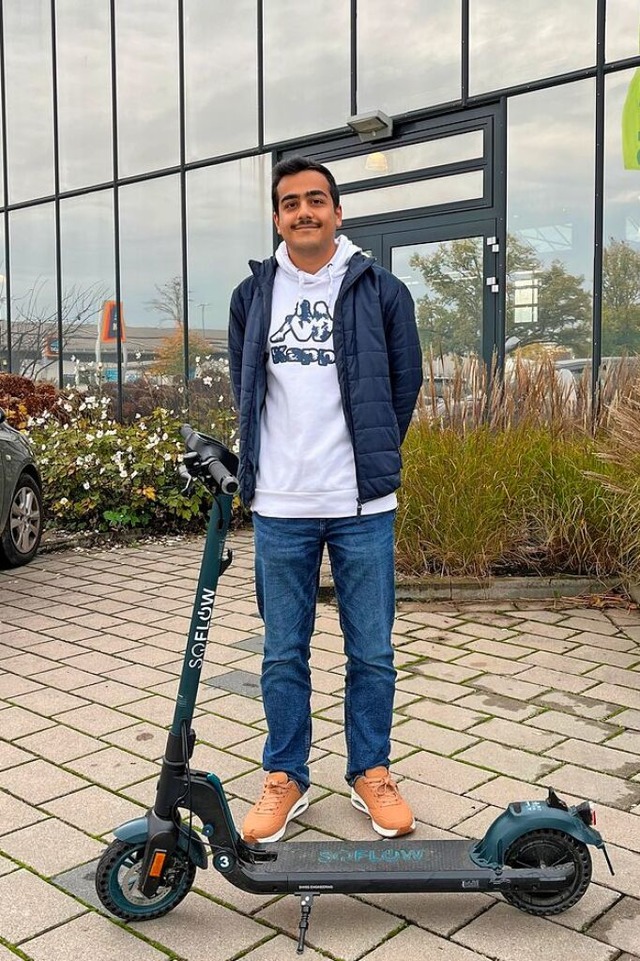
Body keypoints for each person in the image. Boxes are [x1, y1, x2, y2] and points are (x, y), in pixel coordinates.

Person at [228, 156, 423, 844]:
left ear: (338, 212)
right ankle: (286, 774)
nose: (304, 211)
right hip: (280, 504)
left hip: (362, 505)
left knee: (371, 649)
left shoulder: (382, 291)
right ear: (278, 217)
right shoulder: (253, 296)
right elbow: (247, 392)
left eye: (317, 200)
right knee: (284, 651)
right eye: (290, 203)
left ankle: (370, 767)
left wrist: (370, 460)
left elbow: (403, 386)